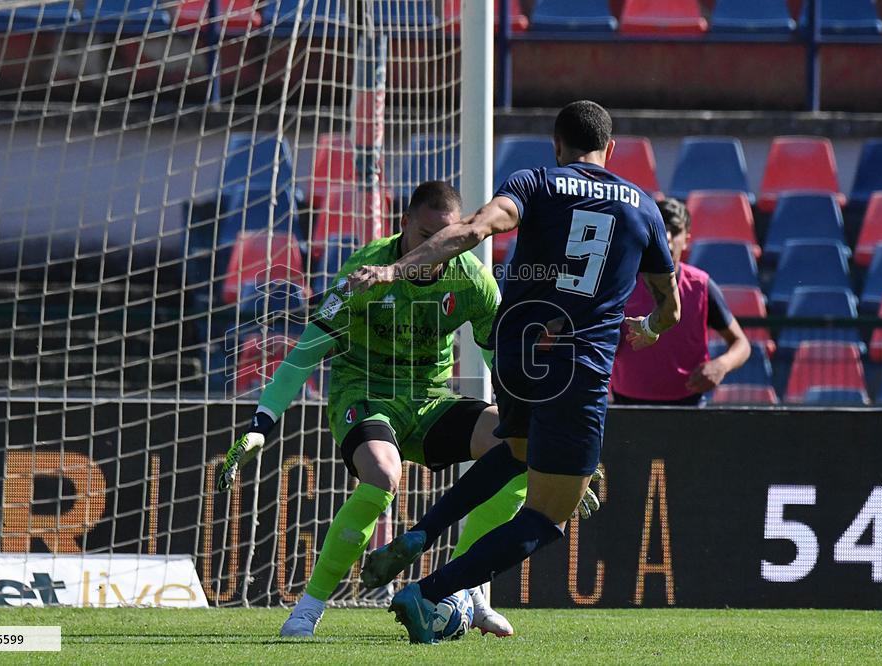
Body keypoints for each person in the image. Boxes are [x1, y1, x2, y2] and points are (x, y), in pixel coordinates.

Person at [347, 100, 681, 644]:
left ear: (556, 145)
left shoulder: (535, 182)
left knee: (519, 451)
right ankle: (430, 592)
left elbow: (475, 230)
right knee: (548, 515)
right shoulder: (642, 206)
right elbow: (672, 307)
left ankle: (420, 533)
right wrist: (650, 327)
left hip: (515, 352)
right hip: (577, 364)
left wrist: (395, 268)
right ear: (610, 150)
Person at [217, 181, 597, 638]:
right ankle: (308, 609)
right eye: (425, 236)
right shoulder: (366, 270)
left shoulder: (471, 277)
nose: (436, 247)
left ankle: (465, 587)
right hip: (365, 395)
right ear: (404, 226)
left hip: (431, 401)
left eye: (446, 237)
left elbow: (505, 359)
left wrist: (549, 448)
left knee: (520, 448)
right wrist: (262, 422)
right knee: (381, 475)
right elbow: (306, 351)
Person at [611, 197, 750, 405]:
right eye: (659, 229)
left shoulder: (701, 285)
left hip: (688, 405)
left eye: (674, 230)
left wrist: (721, 365)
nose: (666, 237)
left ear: (686, 239)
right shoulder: (623, 280)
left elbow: (742, 344)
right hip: (627, 402)